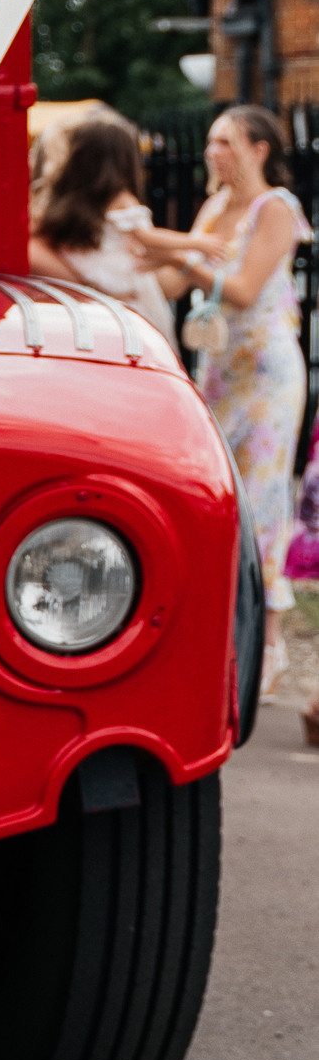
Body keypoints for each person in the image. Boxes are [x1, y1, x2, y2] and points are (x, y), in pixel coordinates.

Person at [180, 101, 310, 692]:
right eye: (211, 142)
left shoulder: (275, 209)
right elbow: (172, 277)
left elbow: (242, 288)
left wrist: (165, 246)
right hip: (220, 371)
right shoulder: (213, 207)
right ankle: (223, 633)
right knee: (218, 495)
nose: (214, 152)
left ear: (259, 148)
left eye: (225, 141)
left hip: (266, 375)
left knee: (260, 498)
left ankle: (269, 643)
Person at [27, 104, 191, 349]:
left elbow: (161, 282)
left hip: (113, 315)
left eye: (57, 155)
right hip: (99, 316)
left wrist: (180, 261)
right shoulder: (62, 214)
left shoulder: (85, 214)